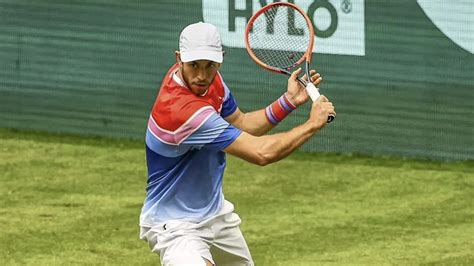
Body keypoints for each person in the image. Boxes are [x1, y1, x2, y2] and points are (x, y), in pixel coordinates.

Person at [139, 22, 335, 266]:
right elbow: (261, 153)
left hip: (215, 214)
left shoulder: (212, 83)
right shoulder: (182, 111)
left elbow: (242, 123)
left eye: (209, 65)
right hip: (175, 224)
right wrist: (311, 125)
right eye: (194, 65)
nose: (201, 75)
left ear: (220, 60)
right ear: (179, 59)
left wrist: (289, 101)